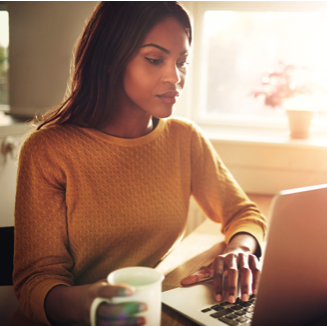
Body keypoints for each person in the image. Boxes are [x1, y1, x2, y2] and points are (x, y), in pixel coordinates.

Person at [11, 2, 267, 326]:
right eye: (154, 59)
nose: (175, 76)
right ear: (110, 59)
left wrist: (240, 251)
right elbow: (35, 282)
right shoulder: (49, 150)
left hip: (144, 314)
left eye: (182, 61)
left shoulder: (184, 138)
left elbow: (243, 214)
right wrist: (90, 304)